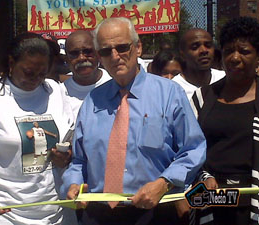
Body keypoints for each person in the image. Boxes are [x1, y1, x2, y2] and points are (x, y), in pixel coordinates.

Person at [61, 17, 206, 225]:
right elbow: (79, 161)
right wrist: (73, 183)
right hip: (97, 213)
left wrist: (164, 183)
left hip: (155, 212)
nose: (114, 56)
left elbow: (193, 149)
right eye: (105, 50)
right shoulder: (92, 102)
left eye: (122, 47)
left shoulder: (170, 94)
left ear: (138, 48)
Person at [0, 33, 77, 225]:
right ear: (12, 63)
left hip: (56, 211)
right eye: (29, 72)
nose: (36, 79)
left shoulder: (55, 90)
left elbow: (69, 136)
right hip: (6, 213)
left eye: (42, 73)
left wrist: (65, 155)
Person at [190, 17, 259, 225]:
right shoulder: (201, 98)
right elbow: (187, 150)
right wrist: (203, 178)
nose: (235, 58)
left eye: (244, 51)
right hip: (209, 200)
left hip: (252, 203)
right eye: (229, 51)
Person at [64, 30, 111, 116]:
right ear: (66, 59)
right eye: (74, 54)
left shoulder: (116, 84)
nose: (81, 58)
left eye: (88, 52)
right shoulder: (60, 93)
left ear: (98, 54)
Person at [173, 28, 225, 99]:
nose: (204, 50)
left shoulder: (225, 79)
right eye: (195, 47)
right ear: (183, 55)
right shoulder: (174, 88)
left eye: (208, 45)